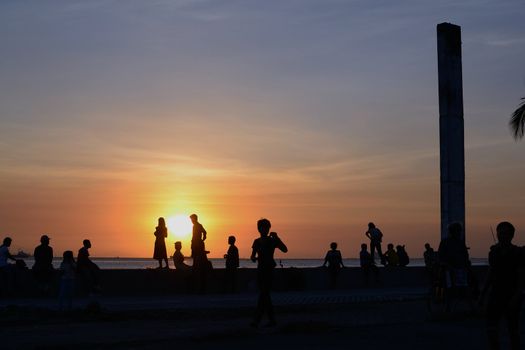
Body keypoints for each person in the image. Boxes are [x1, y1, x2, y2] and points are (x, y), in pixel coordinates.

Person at [480, 222, 524, 350]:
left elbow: (521, 276)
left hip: (512, 294)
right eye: (500, 233)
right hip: (495, 294)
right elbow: (491, 273)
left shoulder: (518, 253)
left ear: (511, 235)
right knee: (491, 328)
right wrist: (482, 295)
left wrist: (517, 295)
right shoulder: (493, 252)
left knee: (513, 329)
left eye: (505, 233)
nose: (502, 236)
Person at [250, 218, 288, 327]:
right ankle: (271, 320)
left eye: (266, 227)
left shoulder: (272, 240)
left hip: (269, 270)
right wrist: (254, 258)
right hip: (261, 270)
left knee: (264, 294)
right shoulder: (256, 241)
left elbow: (285, 249)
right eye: (262, 227)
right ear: (259, 229)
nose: (264, 229)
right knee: (265, 295)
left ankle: (257, 320)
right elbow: (252, 256)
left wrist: (277, 238)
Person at [438, 222, 470, 288]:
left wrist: (466, 265)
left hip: (460, 270)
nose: (460, 233)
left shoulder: (460, 243)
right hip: (449, 271)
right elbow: (441, 258)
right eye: (458, 231)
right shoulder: (445, 243)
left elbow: (466, 256)